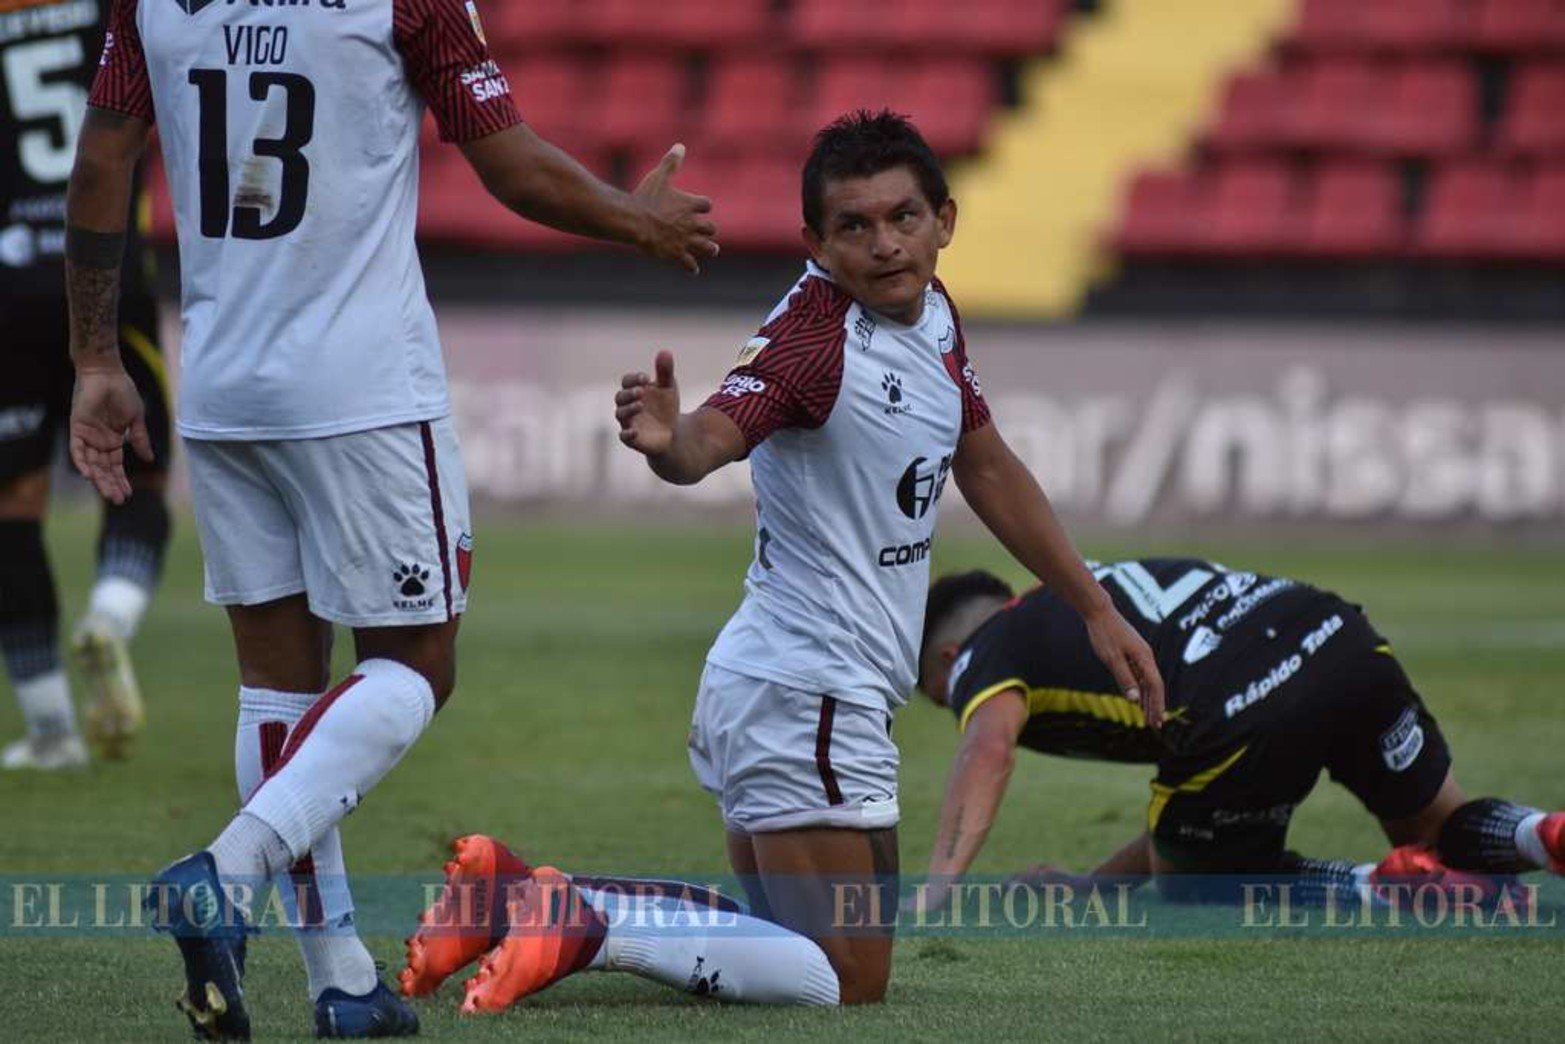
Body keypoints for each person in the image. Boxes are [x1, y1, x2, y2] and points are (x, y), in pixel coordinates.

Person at [396, 110, 1164, 1012]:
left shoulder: (935, 316)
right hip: (806, 692)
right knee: (843, 980)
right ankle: (581, 919)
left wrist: (1093, 608)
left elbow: (985, 461)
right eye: (854, 227)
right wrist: (667, 442)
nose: (883, 244)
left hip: (800, 689)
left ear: (944, 220)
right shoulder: (813, 341)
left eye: (902, 218)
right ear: (817, 242)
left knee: (778, 948)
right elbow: (708, 442)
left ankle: (510, 896)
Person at [66, 0, 718, 1036]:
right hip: (359, 388)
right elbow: (503, 161)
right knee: (418, 660)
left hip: (225, 381)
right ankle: (224, 874)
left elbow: (104, 163)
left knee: (276, 688)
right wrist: (633, 218)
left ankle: (341, 983)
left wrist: (98, 359)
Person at [916, 561, 1565, 908]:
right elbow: (1191, 811)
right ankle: (1539, 834)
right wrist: (1092, 886)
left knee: (1193, 886)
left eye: (938, 695)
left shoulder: (983, 650)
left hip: (1240, 694)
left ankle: (1375, 886)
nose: (959, 706)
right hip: (1336, 633)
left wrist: (937, 885)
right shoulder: (1080, 585)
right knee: (1434, 827)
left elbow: (988, 749)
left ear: (947, 658)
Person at [0, 0, 172, 770]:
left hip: (6, 280)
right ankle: (110, 613)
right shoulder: (112, 7)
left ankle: (49, 731)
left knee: (11, 506)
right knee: (142, 478)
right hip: (103, 269)